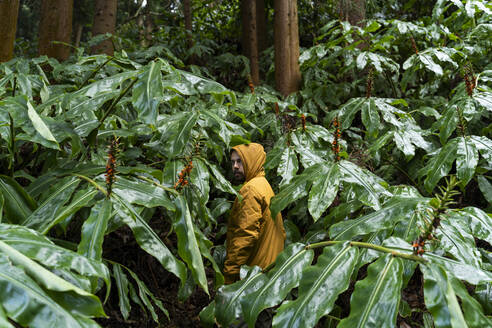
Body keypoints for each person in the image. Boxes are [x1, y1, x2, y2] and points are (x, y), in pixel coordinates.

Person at [223, 143, 286, 284]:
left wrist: (230, 272)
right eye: (233, 162)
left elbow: (245, 235)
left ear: (252, 160)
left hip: (255, 273)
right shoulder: (263, 184)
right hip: (268, 268)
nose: (235, 166)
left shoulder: (251, 190)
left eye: (240, 161)